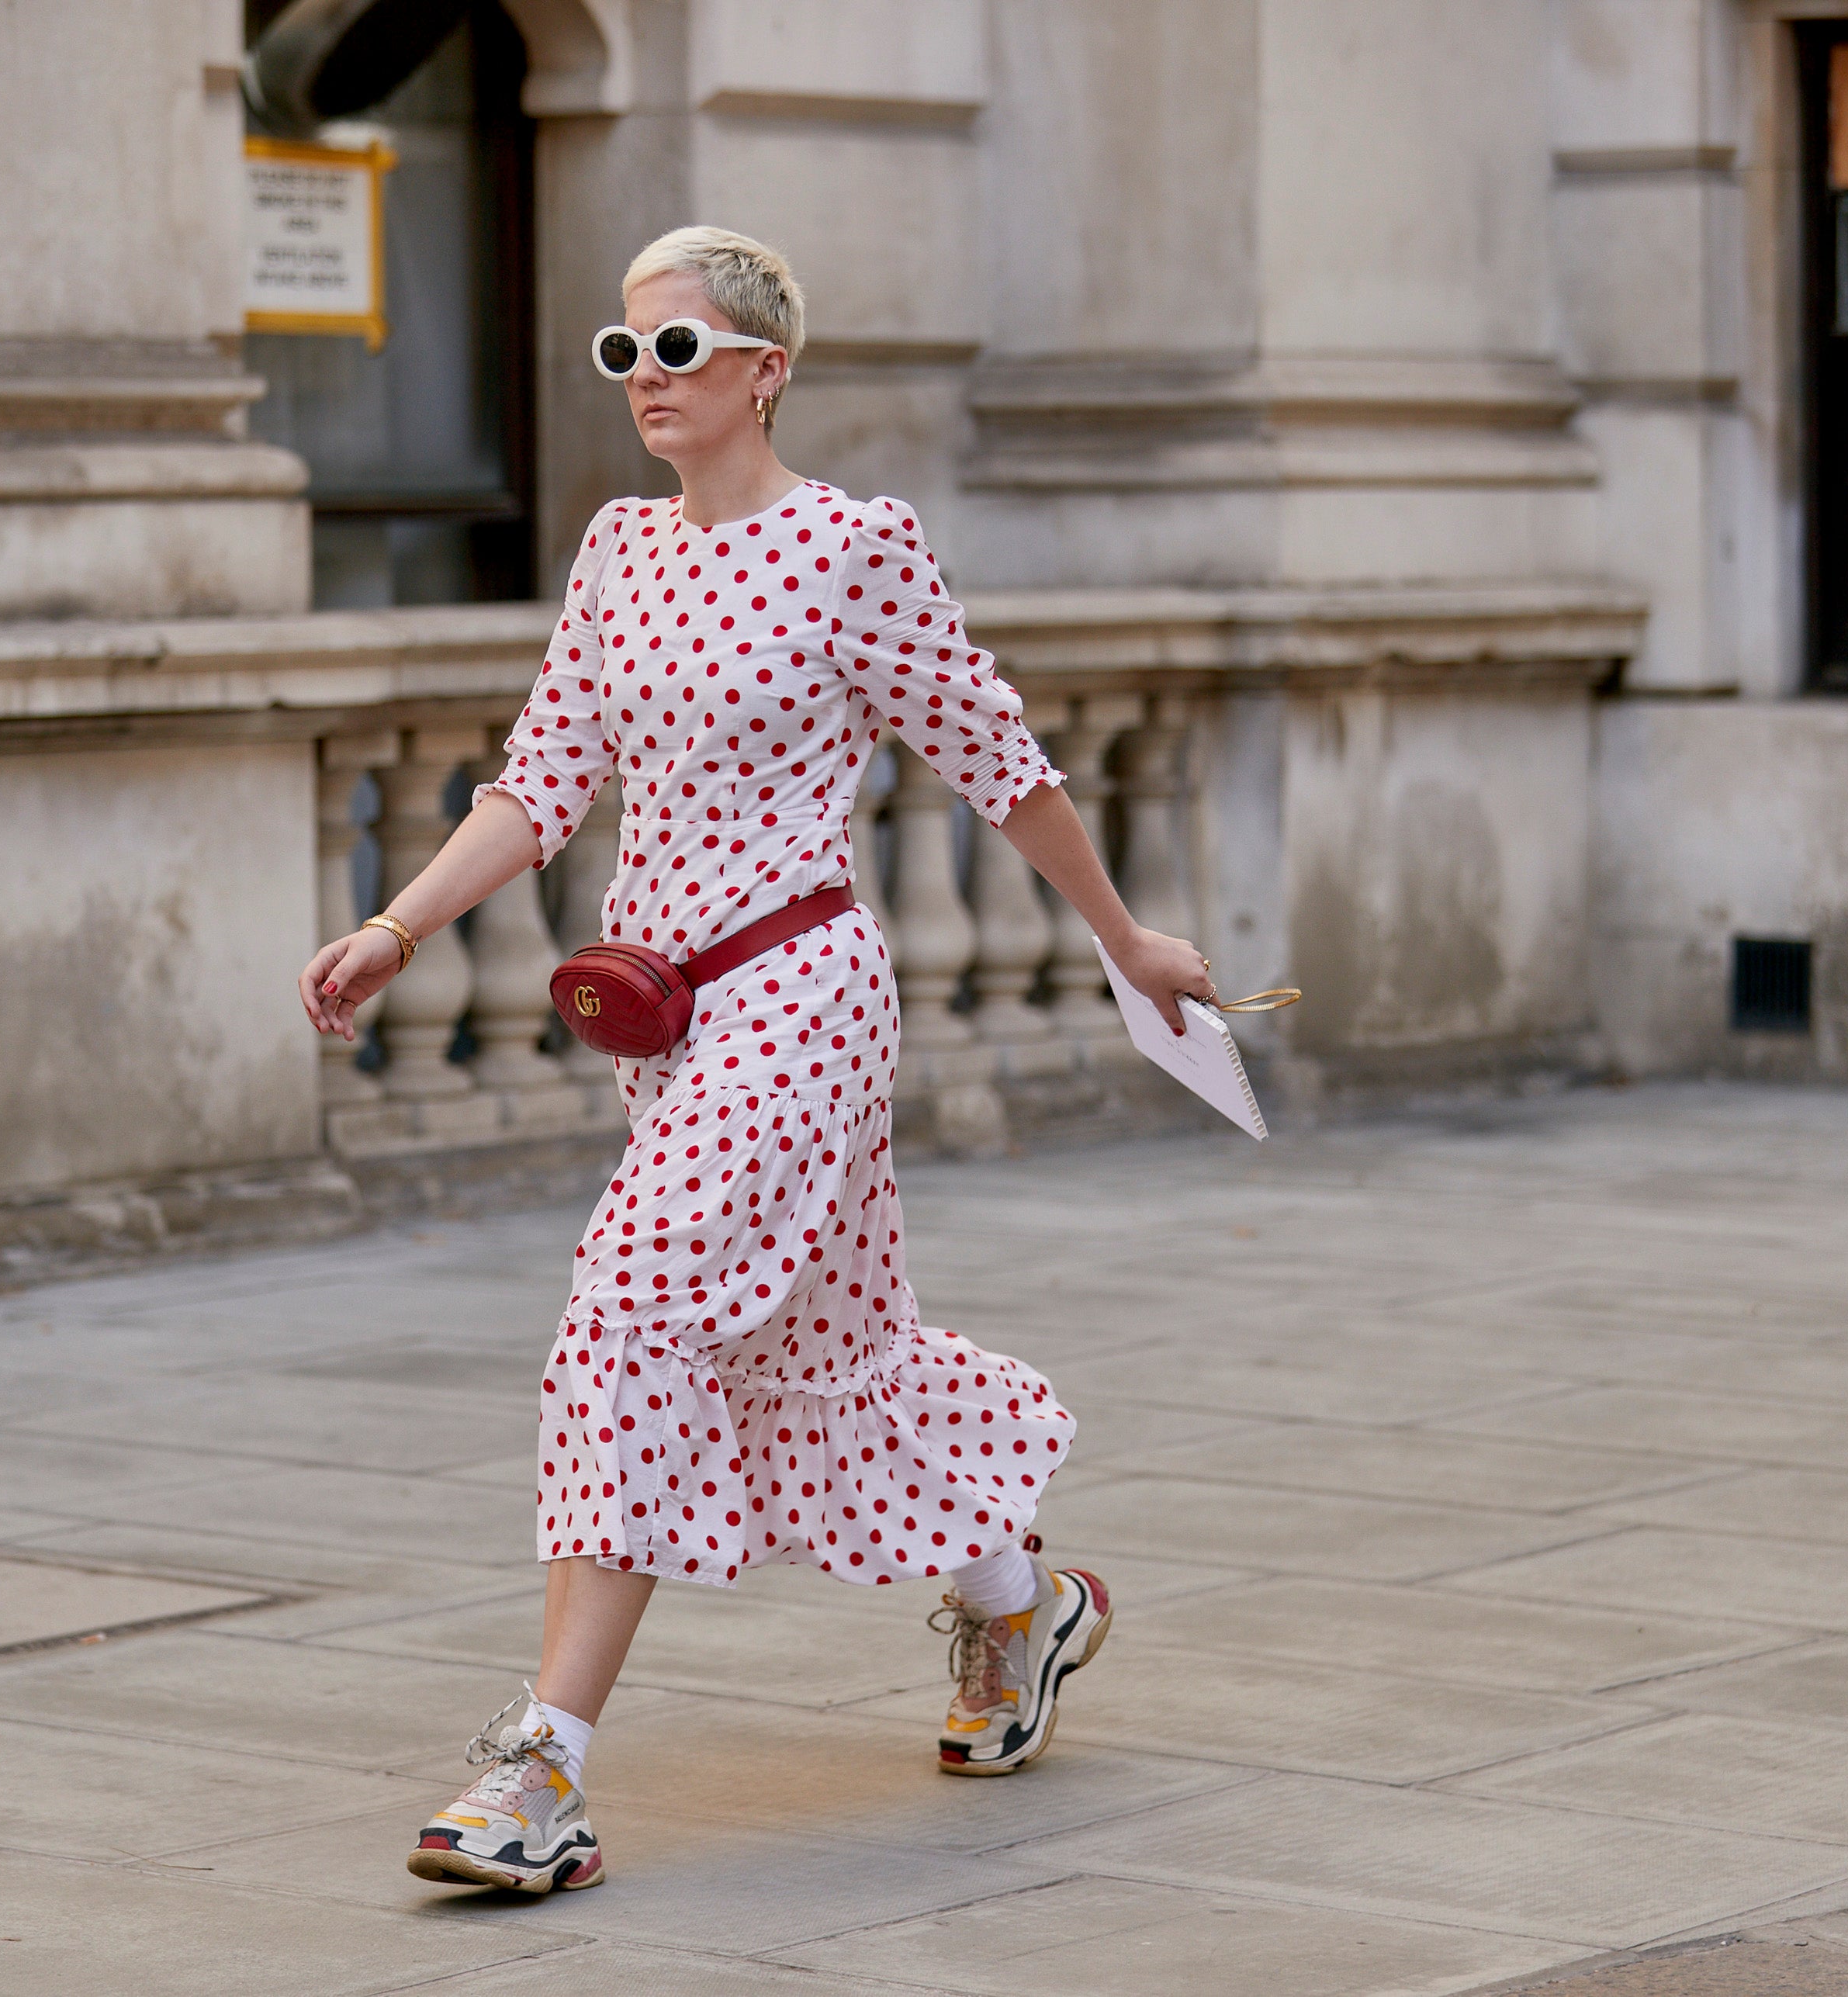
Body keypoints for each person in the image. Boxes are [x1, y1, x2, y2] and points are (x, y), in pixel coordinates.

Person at [296, 226, 1219, 1895]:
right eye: (621, 353)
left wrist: (1126, 939)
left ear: (763, 370)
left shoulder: (850, 547)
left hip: (799, 1002)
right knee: (821, 1349)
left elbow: (992, 757)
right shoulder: (615, 554)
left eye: (677, 351)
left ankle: (541, 1769)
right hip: (667, 1023)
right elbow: (539, 778)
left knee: (631, 1305)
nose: (643, 380)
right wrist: (400, 927)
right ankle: (1024, 1609)